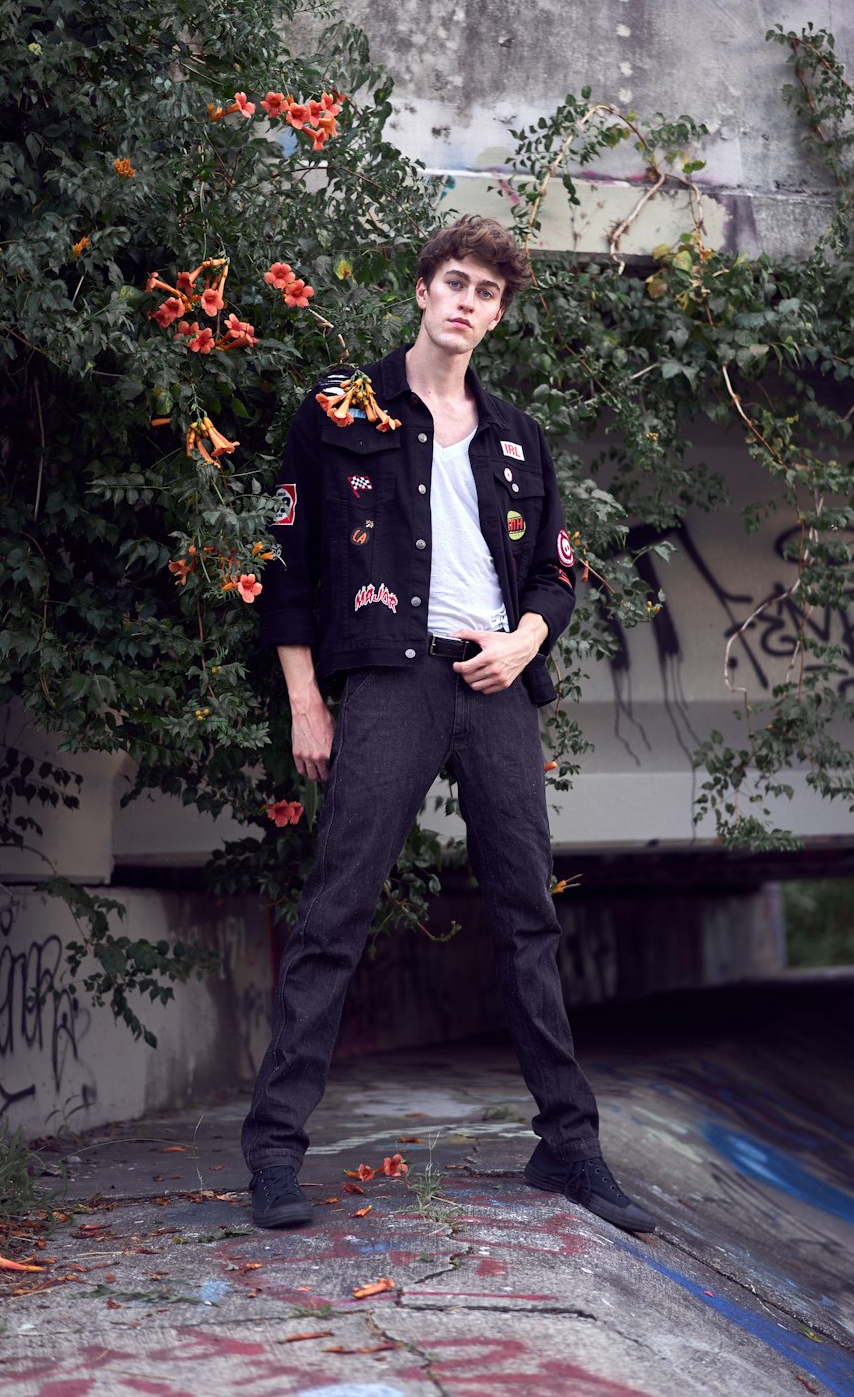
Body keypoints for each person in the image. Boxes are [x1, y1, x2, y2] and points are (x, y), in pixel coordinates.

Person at [242, 214, 655, 1236]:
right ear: (423, 290)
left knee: (527, 918)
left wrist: (523, 642)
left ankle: (567, 1148)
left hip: (498, 685)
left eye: (488, 294)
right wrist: (307, 700)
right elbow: (287, 569)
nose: (468, 304)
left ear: (496, 314)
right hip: (390, 680)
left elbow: (558, 570)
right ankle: (274, 1153)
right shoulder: (341, 410)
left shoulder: (517, 435)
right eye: (456, 283)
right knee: (337, 909)